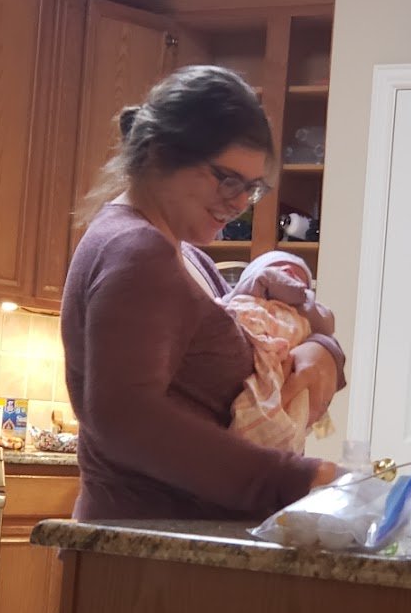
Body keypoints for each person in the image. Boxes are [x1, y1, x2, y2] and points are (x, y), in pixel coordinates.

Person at [61, 64, 346, 521]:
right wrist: (293, 479)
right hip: (144, 538)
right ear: (159, 153)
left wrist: (322, 349)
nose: (239, 202)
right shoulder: (137, 251)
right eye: (227, 179)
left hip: (161, 535)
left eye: (251, 188)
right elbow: (126, 417)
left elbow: (237, 360)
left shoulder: (186, 256)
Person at [221, 251, 336, 453]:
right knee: (260, 404)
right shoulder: (245, 298)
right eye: (280, 267)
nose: (290, 274)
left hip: (291, 365)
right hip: (267, 351)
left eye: (301, 278)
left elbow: (326, 324)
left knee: (299, 412)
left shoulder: (304, 313)